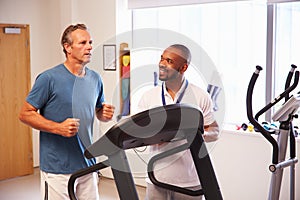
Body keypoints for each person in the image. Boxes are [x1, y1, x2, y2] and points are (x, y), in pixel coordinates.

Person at [19, 23, 115, 200]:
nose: (89, 47)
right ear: (68, 47)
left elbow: (98, 111)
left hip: (87, 164)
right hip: (57, 169)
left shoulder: (95, 78)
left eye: (90, 42)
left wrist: (104, 114)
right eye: (83, 43)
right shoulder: (48, 78)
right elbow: (25, 113)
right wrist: (58, 128)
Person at [138, 44, 219, 200]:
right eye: (161, 58)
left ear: (183, 68)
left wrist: (193, 135)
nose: (162, 63)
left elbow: (214, 132)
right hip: (156, 178)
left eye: (169, 61)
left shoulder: (200, 96)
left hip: (190, 181)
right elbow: (139, 133)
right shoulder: (148, 97)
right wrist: (154, 136)